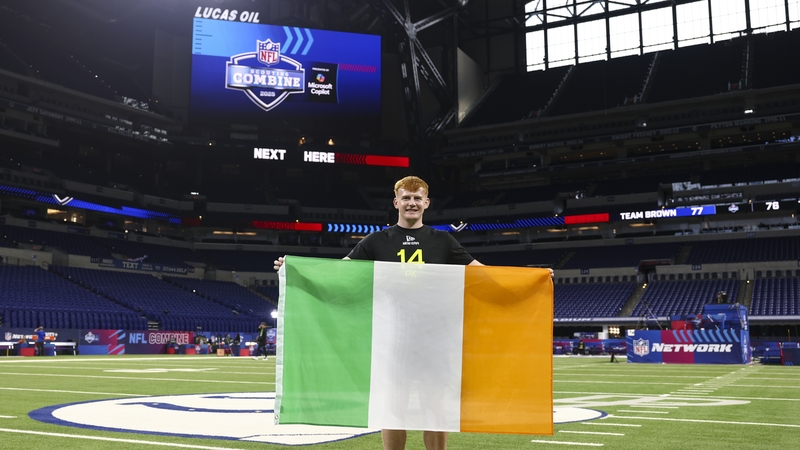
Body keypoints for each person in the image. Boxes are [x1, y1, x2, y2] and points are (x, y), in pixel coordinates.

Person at [274, 176, 553, 450]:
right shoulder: (376, 241)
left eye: (417, 198)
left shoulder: (443, 241)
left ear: (426, 202)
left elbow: (481, 272)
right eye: (406, 198)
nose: (411, 203)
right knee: (393, 409)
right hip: (394, 340)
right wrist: (297, 269)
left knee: (436, 408)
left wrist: (531, 278)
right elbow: (340, 270)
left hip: (436, 340)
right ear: (396, 202)